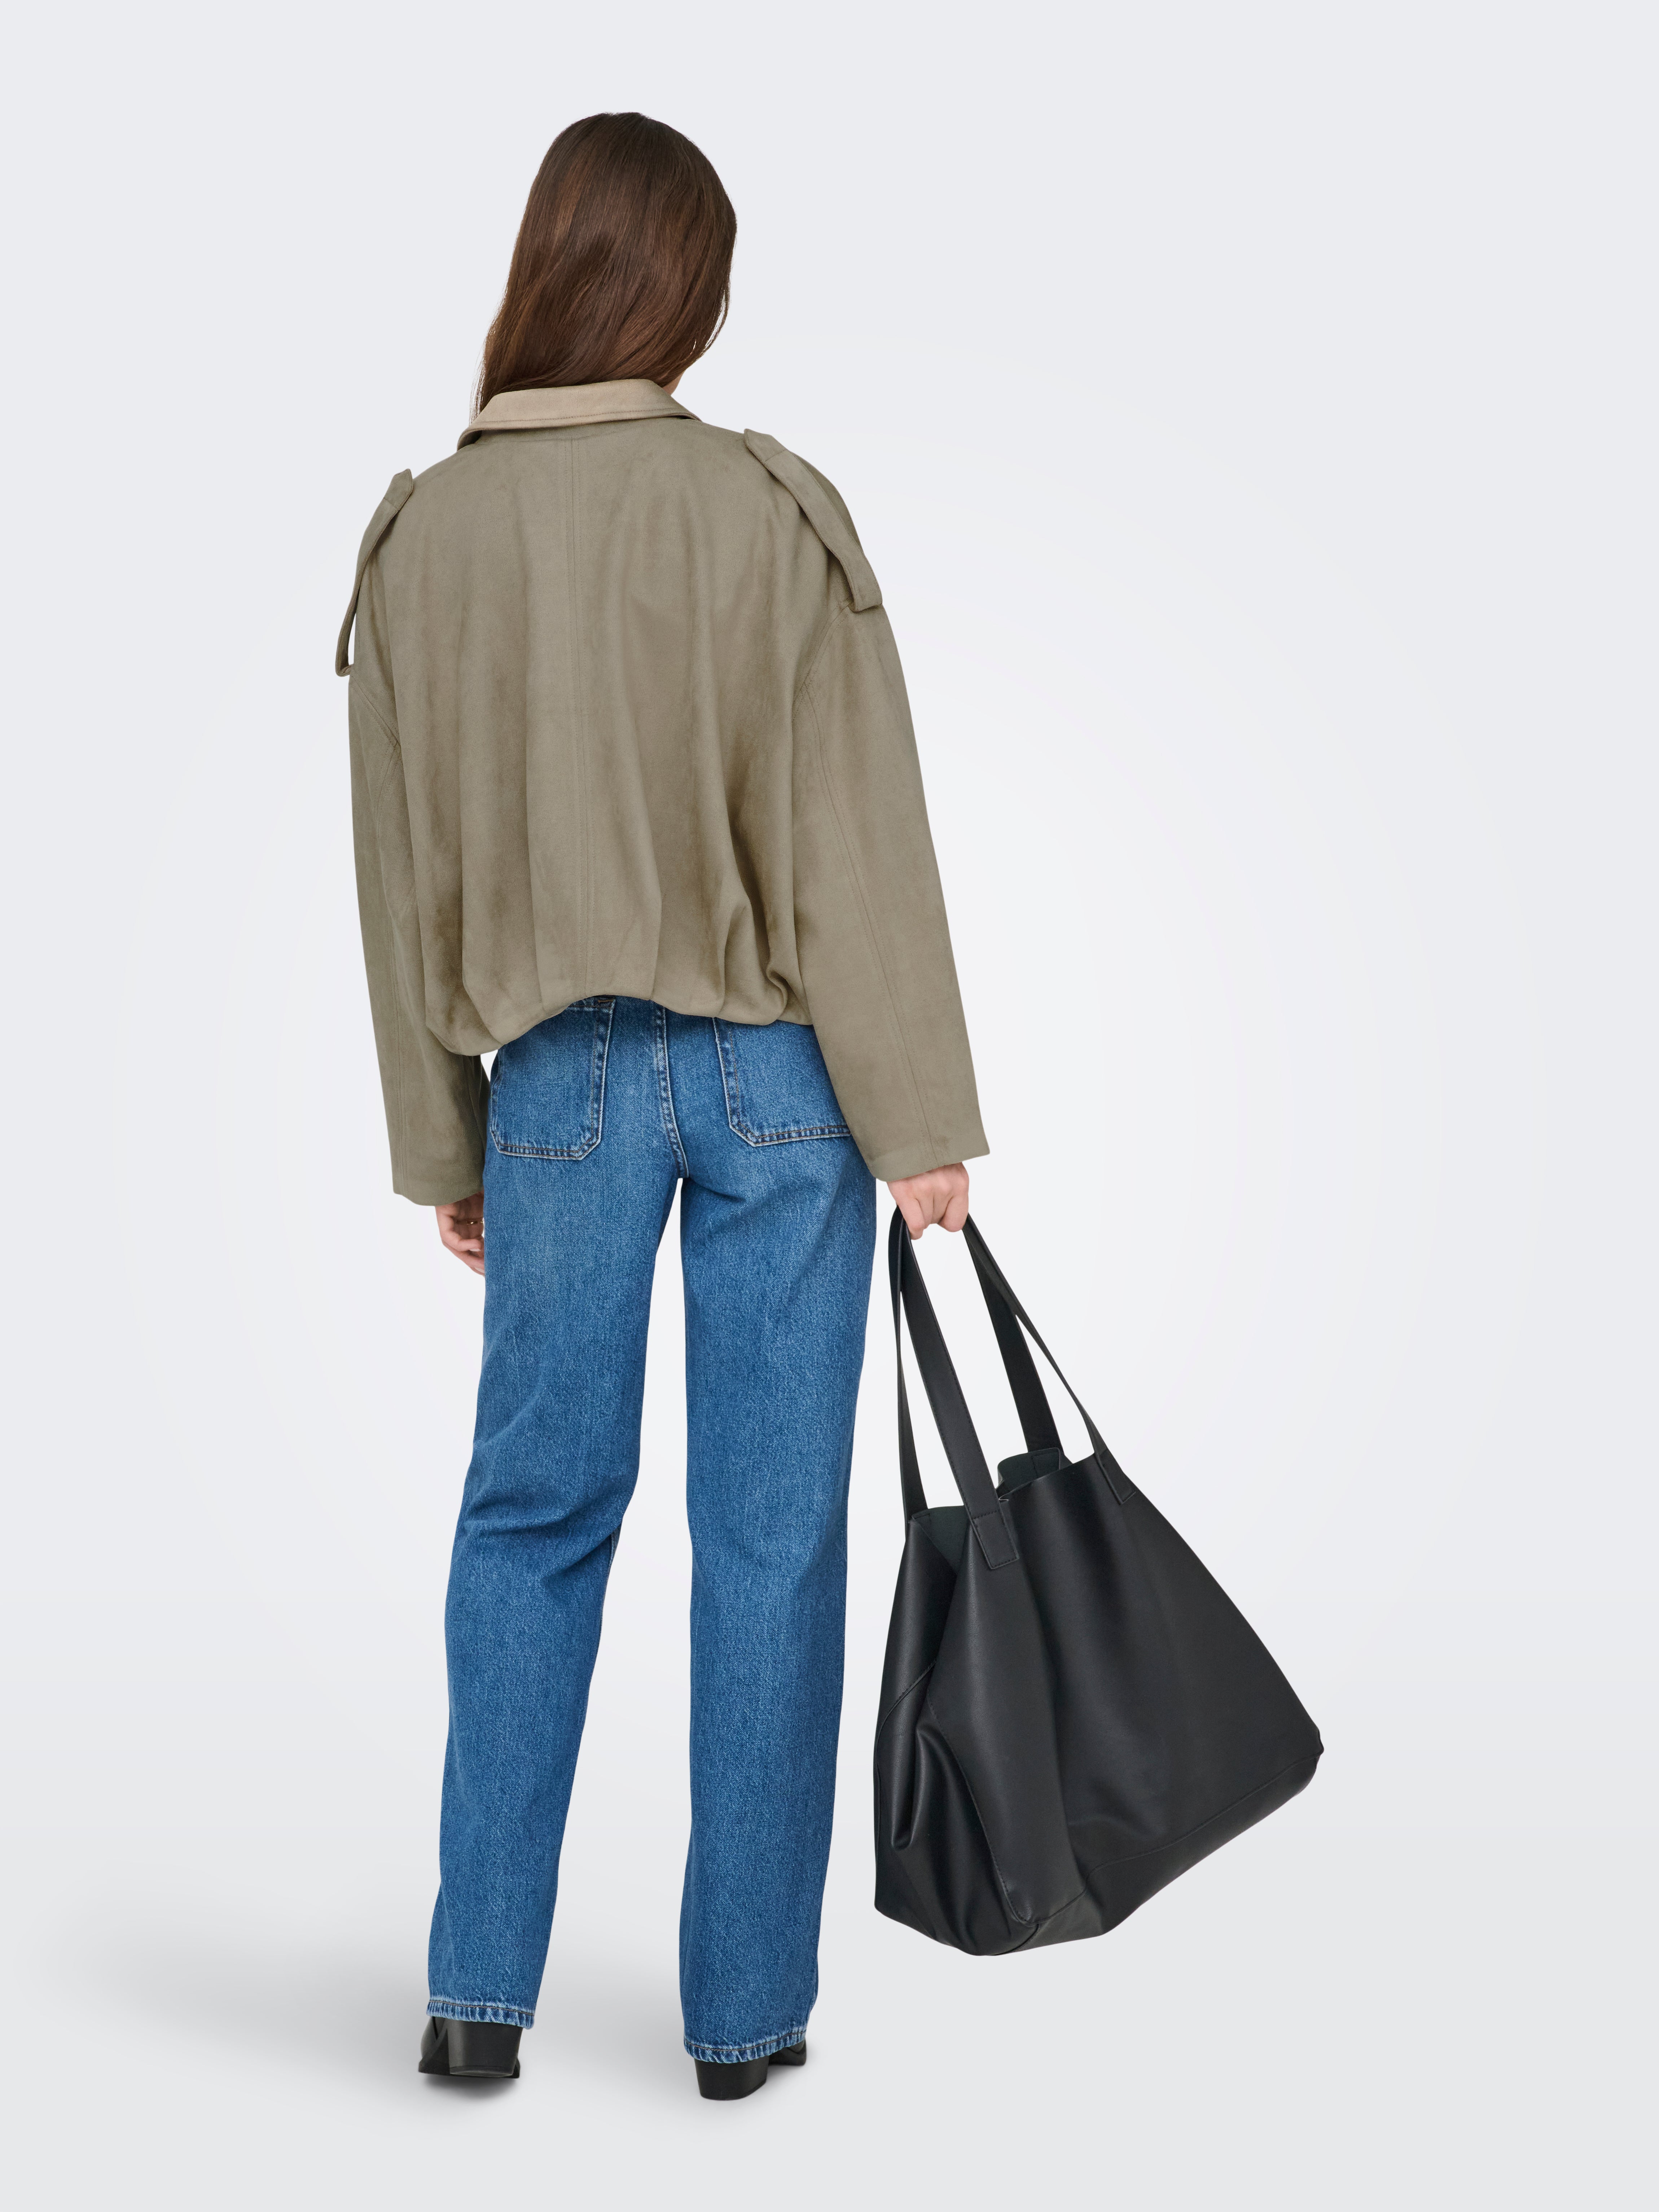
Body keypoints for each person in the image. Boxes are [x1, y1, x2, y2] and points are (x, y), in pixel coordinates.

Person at [338, 111, 986, 2101]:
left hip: (552, 1083)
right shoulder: (765, 507)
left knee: (529, 1517)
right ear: (683, 285)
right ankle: (739, 2023)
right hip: (780, 1076)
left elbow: (397, 872)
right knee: (771, 1540)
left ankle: (475, 1995)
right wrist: (917, 1117)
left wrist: (443, 1140)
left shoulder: (426, 535)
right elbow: (850, 836)